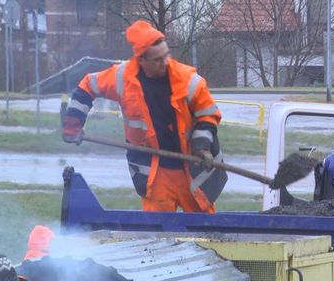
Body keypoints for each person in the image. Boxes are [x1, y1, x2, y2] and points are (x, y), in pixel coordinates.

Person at [62, 20, 226, 213]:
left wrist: (202, 147)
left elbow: (208, 115)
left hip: (191, 169)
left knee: (204, 232)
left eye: (166, 55)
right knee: (158, 235)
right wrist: (73, 123)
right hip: (156, 175)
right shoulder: (122, 77)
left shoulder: (189, 81)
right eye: (157, 59)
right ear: (141, 60)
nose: (165, 63)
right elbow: (87, 86)